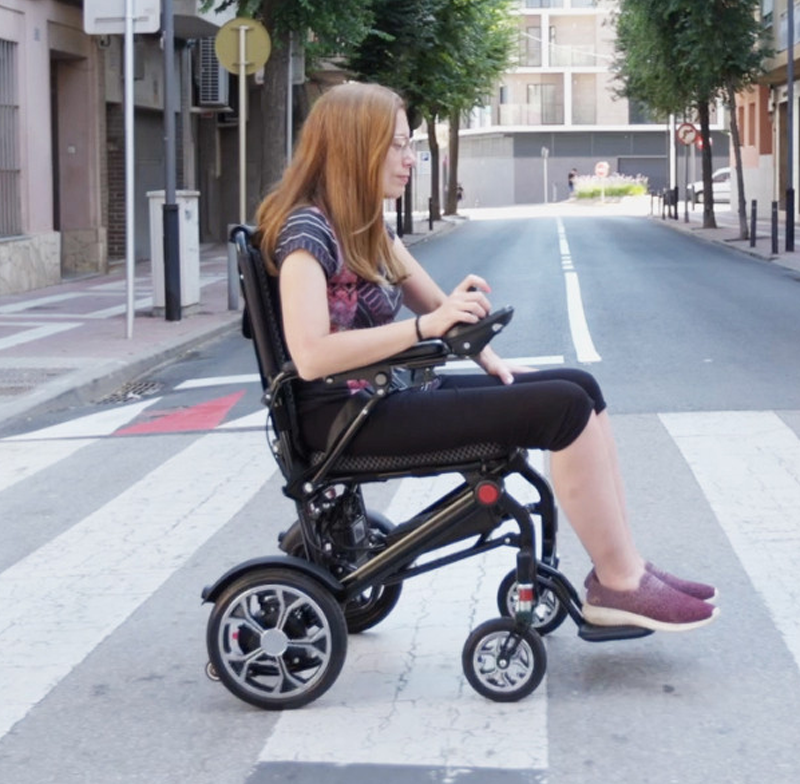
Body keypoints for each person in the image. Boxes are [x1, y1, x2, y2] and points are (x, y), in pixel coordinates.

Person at [255, 82, 719, 633]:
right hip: (343, 418)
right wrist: (424, 328)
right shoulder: (307, 232)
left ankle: (628, 566)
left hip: (383, 397)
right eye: (397, 145)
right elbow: (311, 356)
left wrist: (491, 360)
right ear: (356, 149)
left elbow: (437, 305)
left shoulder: (365, 226)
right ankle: (618, 584)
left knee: (581, 388)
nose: (410, 159)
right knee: (564, 409)